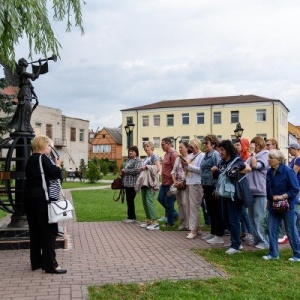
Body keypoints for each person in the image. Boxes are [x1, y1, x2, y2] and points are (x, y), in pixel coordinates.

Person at [24, 135, 67, 274]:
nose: (50, 148)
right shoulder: (43, 159)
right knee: (50, 231)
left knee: (35, 231)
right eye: (49, 146)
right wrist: (58, 165)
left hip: (30, 198)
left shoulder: (30, 160)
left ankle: (36, 262)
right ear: (42, 147)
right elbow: (55, 174)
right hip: (43, 199)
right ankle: (50, 264)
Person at [211, 140, 251, 254]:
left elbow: (236, 171)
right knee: (226, 218)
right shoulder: (222, 161)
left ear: (228, 150)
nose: (220, 152)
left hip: (235, 194)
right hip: (225, 193)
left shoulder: (237, 160)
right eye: (220, 150)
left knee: (234, 219)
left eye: (222, 150)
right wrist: (215, 171)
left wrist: (226, 171)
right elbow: (218, 176)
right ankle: (235, 240)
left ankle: (236, 246)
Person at [263, 149, 300, 261]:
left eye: (271, 158)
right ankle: (273, 254)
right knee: (271, 229)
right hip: (273, 206)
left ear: (278, 160)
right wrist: (268, 202)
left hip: (288, 206)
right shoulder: (269, 172)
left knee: (290, 230)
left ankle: (297, 255)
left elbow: (295, 189)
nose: (268, 160)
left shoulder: (288, 171)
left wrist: (282, 196)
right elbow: (268, 189)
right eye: (268, 158)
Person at [246, 136, 270, 249]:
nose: (251, 147)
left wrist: (252, 154)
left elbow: (255, 165)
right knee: (251, 216)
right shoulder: (252, 155)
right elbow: (244, 165)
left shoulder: (265, 154)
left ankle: (264, 241)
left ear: (258, 145)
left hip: (260, 190)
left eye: (253, 145)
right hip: (251, 190)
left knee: (259, 217)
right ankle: (256, 239)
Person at [8, 58, 41, 132]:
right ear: (22, 64)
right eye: (25, 61)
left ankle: (26, 126)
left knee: (27, 110)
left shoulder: (26, 77)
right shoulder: (23, 73)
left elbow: (31, 87)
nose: (27, 61)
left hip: (28, 92)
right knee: (24, 109)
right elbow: (35, 77)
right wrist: (40, 65)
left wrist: (36, 97)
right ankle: (22, 127)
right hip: (24, 92)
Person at [200, 134, 223, 243]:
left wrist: (217, 187)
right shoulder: (206, 155)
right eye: (204, 143)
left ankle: (219, 235)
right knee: (210, 210)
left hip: (213, 186)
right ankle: (213, 232)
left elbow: (219, 170)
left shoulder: (215, 155)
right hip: (206, 186)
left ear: (213, 144)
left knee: (216, 211)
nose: (204, 145)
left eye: (206, 143)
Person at [181, 138, 205, 238]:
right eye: (190, 147)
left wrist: (189, 166)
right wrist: (184, 166)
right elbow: (186, 168)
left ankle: (193, 230)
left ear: (197, 146)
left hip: (197, 183)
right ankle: (197, 227)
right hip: (189, 182)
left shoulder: (202, 156)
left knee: (194, 207)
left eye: (192, 147)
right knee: (190, 206)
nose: (191, 149)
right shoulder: (190, 156)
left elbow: (201, 170)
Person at [136, 141, 161, 230]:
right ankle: (149, 220)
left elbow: (158, 168)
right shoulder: (146, 158)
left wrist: (147, 167)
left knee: (149, 200)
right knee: (145, 201)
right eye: (145, 147)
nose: (146, 148)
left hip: (151, 182)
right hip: (145, 182)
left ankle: (155, 222)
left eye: (148, 146)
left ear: (152, 147)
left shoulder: (155, 156)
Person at [235, 138, 253, 242]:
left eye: (238, 144)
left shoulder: (247, 156)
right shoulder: (240, 156)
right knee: (241, 210)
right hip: (240, 184)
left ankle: (249, 231)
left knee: (243, 210)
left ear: (244, 145)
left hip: (245, 185)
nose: (236, 146)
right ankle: (244, 231)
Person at [158, 137, 179, 227]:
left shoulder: (174, 154)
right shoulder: (166, 154)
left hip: (170, 183)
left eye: (163, 144)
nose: (161, 146)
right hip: (164, 182)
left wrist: (175, 182)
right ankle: (175, 214)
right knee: (160, 198)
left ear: (168, 144)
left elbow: (177, 169)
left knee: (169, 202)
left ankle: (170, 223)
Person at [121, 146, 142, 223]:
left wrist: (125, 171)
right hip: (127, 183)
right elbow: (125, 170)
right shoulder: (128, 160)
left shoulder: (138, 160)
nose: (131, 152)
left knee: (130, 200)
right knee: (128, 200)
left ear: (136, 152)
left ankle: (132, 217)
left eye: (132, 151)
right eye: (130, 151)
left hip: (133, 184)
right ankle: (130, 216)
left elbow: (136, 170)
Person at [171, 141, 189, 230]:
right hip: (177, 185)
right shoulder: (178, 158)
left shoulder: (189, 158)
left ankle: (188, 223)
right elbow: (173, 171)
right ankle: (182, 223)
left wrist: (182, 182)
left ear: (187, 148)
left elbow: (189, 173)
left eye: (181, 147)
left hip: (185, 185)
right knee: (180, 204)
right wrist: (175, 182)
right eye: (179, 147)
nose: (180, 149)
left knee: (186, 203)